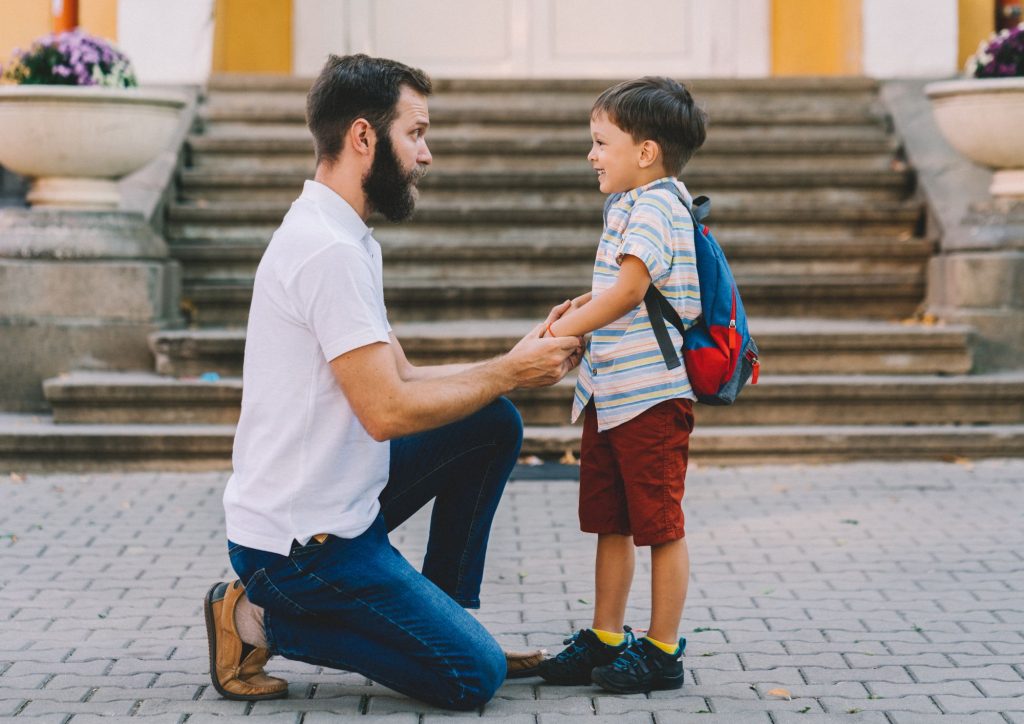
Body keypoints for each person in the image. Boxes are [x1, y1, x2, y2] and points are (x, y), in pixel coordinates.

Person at [203, 54, 582, 711]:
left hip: (338, 505)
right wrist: (510, 372)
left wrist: (514, 362)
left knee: (491, 423)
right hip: (298, 552)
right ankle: (256, 619)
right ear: (363, 137)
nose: (426, 154)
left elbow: (400, 375)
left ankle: (448, 615)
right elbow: (387, 411)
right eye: (416, 133)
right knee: (472, 678)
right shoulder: (328, 251)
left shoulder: (346, 236)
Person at [535, 77, 707, 694]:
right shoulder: (629, 204)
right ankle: (607, 636)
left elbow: (633, 291)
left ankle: (662, 652)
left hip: (651, 398)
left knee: (660, 524)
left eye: (600, 141)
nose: (591, 154)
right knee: (611, 520)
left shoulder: (660, 202)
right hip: (611, 394)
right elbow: (623, 288)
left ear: (646, 151)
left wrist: (561, 337)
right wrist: (579, 306)